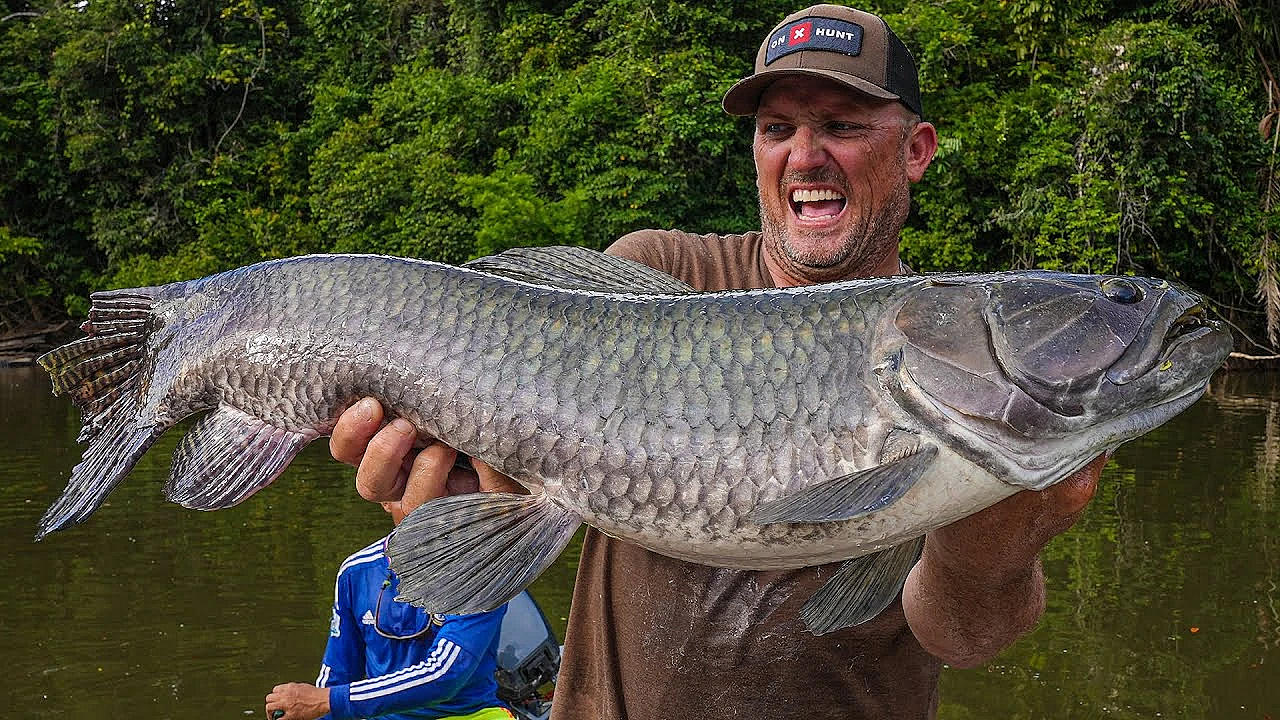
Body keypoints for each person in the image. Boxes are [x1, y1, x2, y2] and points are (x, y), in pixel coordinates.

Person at [327, 5, 1104, 719]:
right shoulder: (660, 276)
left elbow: (964, 638)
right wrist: (467, 486)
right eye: (777, 128)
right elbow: (520, 489)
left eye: (842, 125)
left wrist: (997, 540)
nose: (806, 156)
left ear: (917, 150)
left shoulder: (966, 364)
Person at [265, 500, 514, 720]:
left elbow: (445, 676)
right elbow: (337, 675)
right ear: (385, 500)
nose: (426, 509)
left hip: (468, 713)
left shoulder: (482, 569)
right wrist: (306, 710)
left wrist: (328, 701)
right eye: (409, 494)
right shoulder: (355, 571)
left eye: (437, 495)